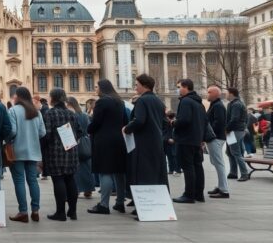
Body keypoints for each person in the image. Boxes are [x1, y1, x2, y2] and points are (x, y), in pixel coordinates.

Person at [123, 74, 168, 202]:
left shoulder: (142, 100)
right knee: (156, 173)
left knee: (143, 174)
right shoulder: (158, 101)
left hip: (143, 142)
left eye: (137, 84)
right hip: (156, 141)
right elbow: (165, 122)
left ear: (144, 85)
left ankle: (143, 203)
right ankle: (157, 201)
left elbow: (139, 120)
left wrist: (127, 128)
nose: (135, 87)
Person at [87, 79, 128, 215]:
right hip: (119, 139)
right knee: (119, 171)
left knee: (105, 171)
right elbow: (125, 121)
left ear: (103, 88)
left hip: (104, 140)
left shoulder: (102, 102)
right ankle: (120, 202)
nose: (95, 89)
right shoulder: (120, 102)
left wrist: (89, 129)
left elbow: (96, 122)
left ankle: (104, 205)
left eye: (96, 87)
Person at [41, 88, 80, 221]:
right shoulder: (71, 113)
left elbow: (46, 134)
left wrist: (44, 148)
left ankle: (60, 212)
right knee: (70, 179)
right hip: (71, 151)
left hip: (55, 152)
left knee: (58, 180)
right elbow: (80, 131)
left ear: (53, 98)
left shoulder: (50, 114)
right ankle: (73, 211)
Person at [7, 86, 45, 223]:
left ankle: (23, 212)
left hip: (17, 150)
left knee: (19, 181)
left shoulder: (13, 110)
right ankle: (35, 210)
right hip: (33, 150)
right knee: (33, 180)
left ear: (18, 97)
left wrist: (8, 140)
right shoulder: (36, 112)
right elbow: (42, 132)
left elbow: (12, 131)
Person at [172, 79, 206, 204]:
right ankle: (199, 194)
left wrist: (174, 122)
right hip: (197, 139)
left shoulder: (185, 101)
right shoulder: (199, 103)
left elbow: (184, 120)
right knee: (198, 166)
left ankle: (189, 195)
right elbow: (204, 121)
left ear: (186, 87)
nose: (177, 89)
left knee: (188, 167)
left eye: (179, 87)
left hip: (186, 139)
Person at [67, 96, 95, 199]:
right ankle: (88, 189)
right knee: (87, 167)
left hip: (73, 141)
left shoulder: (70, 115)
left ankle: (77, 189)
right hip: (85, 142)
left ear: (69, 104)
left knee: (75, 168)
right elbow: (89, 128)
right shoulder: (84, 115)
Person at [205, 85, 229, 199]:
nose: (207, 94)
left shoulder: (218, 106)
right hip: (215, 137)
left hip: (216, 138)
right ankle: (221, 186)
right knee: (216, 162)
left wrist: (209, 134)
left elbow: (218, 123)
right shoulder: (215, 105)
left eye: (209, 92)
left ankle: (224, 190)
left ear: (215, 94)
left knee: (219, 163)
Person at [225, 88, 250, 181]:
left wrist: (226, 129)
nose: (225, 95)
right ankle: (233, 173)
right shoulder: (234, 103)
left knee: (236, 153)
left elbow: (234, 119)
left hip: (234, 131)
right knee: (230, 152)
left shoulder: (236, 104)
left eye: (226, 93)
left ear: (231, 94)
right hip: (234, 131)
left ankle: (244, 174)